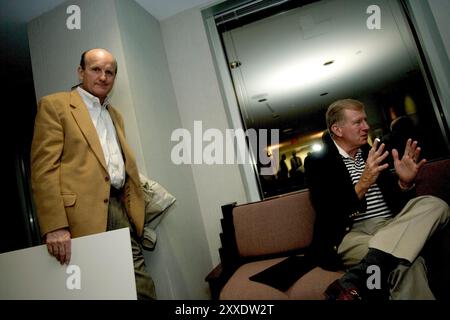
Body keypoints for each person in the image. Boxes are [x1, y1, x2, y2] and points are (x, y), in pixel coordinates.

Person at [30, 48, 156, 300]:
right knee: (96, 290)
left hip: (119, 208)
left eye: (110, 72)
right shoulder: (55, 105)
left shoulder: (115, 115)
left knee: (139, 286)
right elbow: (44, 169)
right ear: (81, 71)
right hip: (78, 217)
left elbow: (115, 166)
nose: (103, 77)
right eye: (96, 69)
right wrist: (55, 226)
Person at [304, 98, 449, 300]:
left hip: (391, 226)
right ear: (337, 130)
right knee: (408, 263)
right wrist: (363, 183)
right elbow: (329, 212)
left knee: (437, 205)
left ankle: (362, 271)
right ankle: (381, 258)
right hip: (351, 235)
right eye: (358, 122)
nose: (366, 127)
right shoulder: (317, 162)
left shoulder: (371, 152)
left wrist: (404, 183)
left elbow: (397, 204)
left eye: (365, 120)